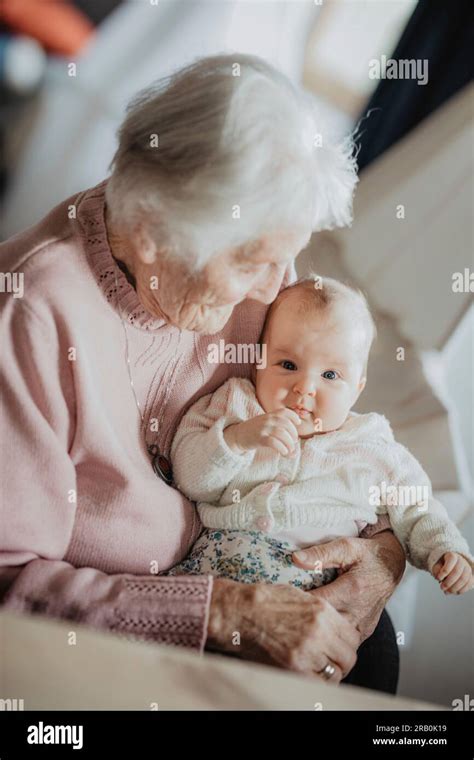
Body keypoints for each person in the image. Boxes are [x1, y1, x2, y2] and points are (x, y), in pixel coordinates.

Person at [0, 54, 405, 691]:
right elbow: (10, 584)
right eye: (253, 264)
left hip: (250, 558)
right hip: (114, 632)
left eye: (288, 256)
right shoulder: (29, 316)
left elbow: (334, 434)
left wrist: (384, 552)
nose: (277, 288)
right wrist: (216, 613)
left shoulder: (249, 268)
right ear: (152, 232)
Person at [167, 276, 474, 599]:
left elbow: (417, 506)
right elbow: (188, 478)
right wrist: (237, 440)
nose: (305, 387)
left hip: (316, 587)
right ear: (258, 364)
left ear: (357, 388)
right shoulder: (236, 405)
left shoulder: (373, 448)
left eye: (330, 375)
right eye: (287, 364)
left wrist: (444, 548)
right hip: (218, 572)